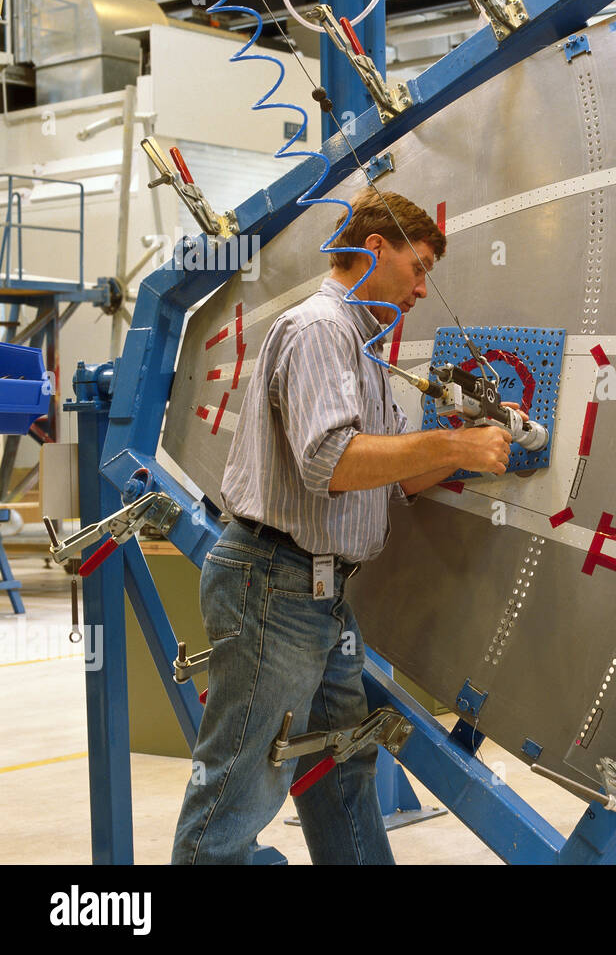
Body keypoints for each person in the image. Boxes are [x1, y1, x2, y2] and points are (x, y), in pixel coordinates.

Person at [172, 190, 512, 864]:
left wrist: (474, 443)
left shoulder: (364, 348)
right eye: (417, 268)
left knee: (340, 773)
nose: (422, 288)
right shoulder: (321, 329)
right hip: (275, 585)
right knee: (236, 794)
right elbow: (330, 460)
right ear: (374, 248)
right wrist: (452, 448)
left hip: (320, 595)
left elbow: (395, 475)